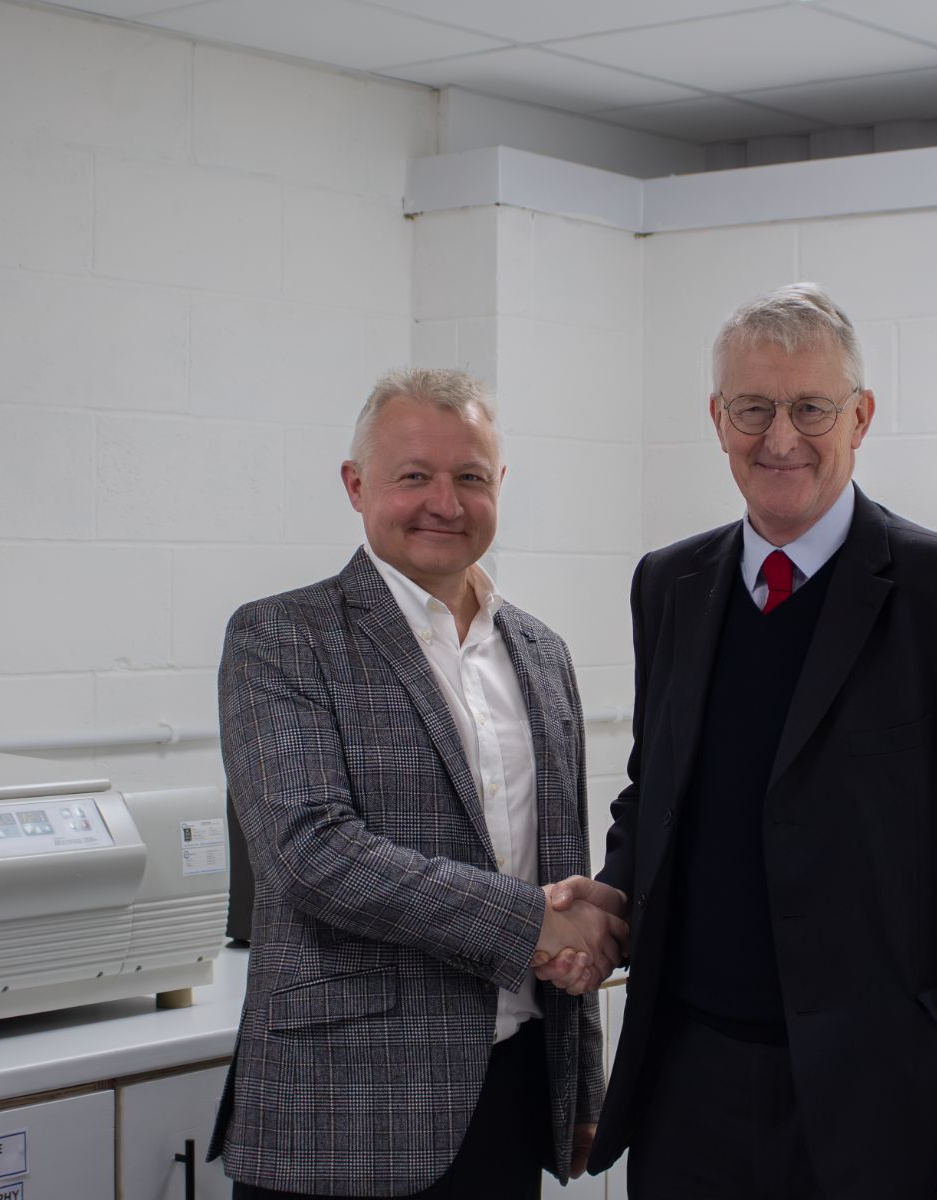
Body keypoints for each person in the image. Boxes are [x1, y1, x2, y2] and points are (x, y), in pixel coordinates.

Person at [541, 284, 937, 1199]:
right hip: (688, 1087)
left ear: (859, 416)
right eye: (753, 408)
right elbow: (657, 792)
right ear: (717, 419)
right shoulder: (670, 585)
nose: (779, 438)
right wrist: (613, 903)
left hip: (883, 1102)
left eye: (810, 408)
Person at [210, 367, 621, 1199]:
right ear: (356, 486)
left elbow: (559, 860)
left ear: (498, 486)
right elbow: (311, 853)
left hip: (507, 1099)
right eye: (414, 476)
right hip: (341, 1114)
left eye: (469, 476)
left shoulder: (541, 654)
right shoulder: (282, 638)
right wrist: (533, 927)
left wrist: (580, 1086)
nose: (445, 501)